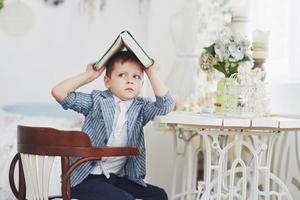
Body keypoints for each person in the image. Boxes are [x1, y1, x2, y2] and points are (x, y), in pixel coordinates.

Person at [51, 50, 175, 200]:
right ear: (107, 81)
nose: (130, 80)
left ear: (142, 82)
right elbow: (59, 92)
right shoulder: (96, 101)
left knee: (158, 195)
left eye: (136, 76)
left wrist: (151, 72)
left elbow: (165, 105)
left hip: (115, 178)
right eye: (122, 75)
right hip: (85, 179)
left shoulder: (141, 107)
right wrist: (88, 76)